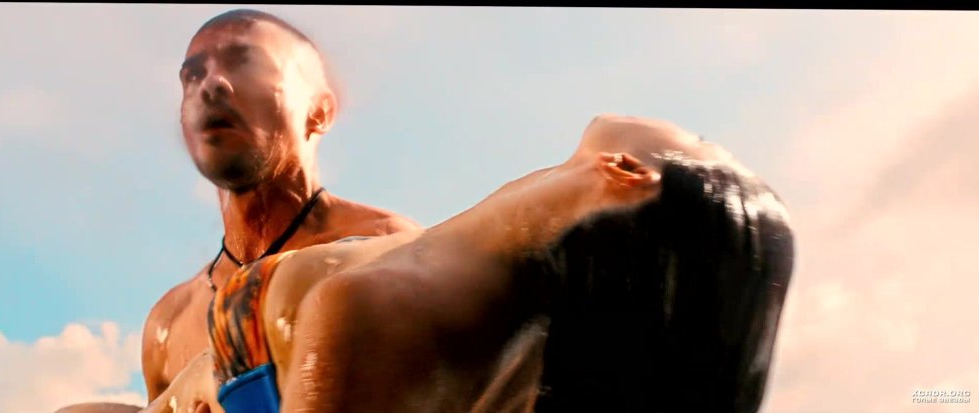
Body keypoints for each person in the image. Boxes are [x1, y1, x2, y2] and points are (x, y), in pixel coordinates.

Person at [193, 114, 793, 413]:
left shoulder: (382, 307)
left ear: (626, 174)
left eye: (705, 143)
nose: (705, 134)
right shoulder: (497, 314)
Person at [139, 8, 421, 402]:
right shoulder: (167, 324)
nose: (212, 84)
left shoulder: (389, 249)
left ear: (319, 111)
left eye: (246, 62)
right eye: (193, 76)